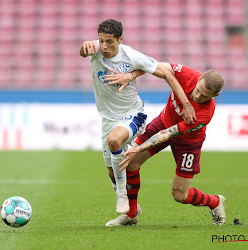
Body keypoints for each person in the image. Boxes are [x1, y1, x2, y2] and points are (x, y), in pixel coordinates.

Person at [80, 19, 196, 215]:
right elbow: (84, 51)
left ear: (120, 39)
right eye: (101, 41)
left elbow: (167, 72)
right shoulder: (96, 50)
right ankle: (132, 208)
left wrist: (186, 104)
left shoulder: (131, 55)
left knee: (114, 140)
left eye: (110, 41)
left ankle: (122, 198)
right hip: (108, 118)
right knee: (112, 171)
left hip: (132, 113)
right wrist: (84, 47)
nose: (104, 46)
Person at [104, 62, 226, 226]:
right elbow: (153, 65)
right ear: (198, 79)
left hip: (187, 142)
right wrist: (131, 75)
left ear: (214, 96)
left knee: (179, 195)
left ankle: (215, 201)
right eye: (198, 90)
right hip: (163, 121)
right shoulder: (186, 74)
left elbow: (167, 134)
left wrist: (139, 147)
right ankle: (131, 214)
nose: (197, 97)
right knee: (131, 163)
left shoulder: (205, 114)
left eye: (204, 96)